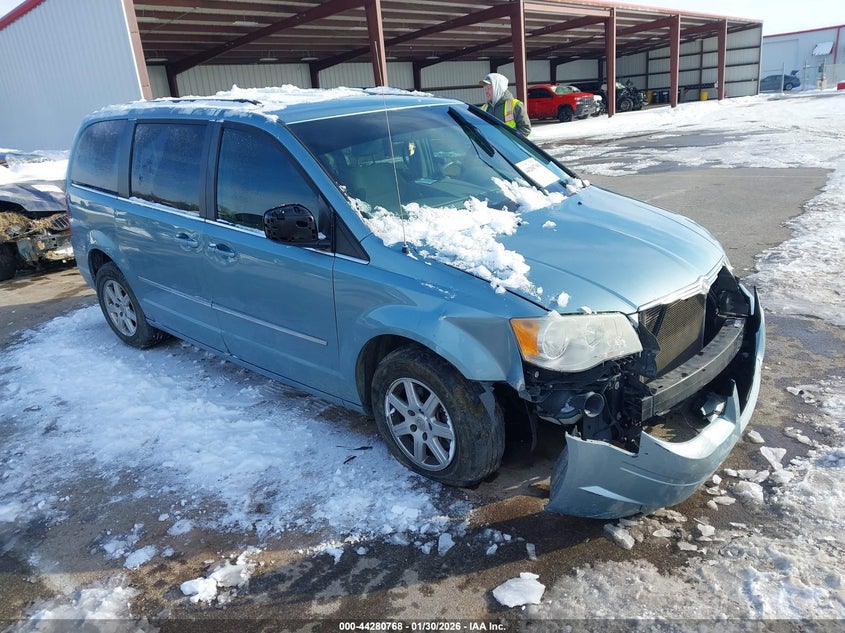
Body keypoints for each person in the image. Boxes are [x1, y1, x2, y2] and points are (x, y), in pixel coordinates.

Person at [479, 73, 531, 137]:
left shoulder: (515, 106)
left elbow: (525, 129)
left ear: (498, 88)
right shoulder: (484, 109)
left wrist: (509, 142)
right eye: (485, 89)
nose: (486, 92)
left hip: (512, 146)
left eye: (489, 88)